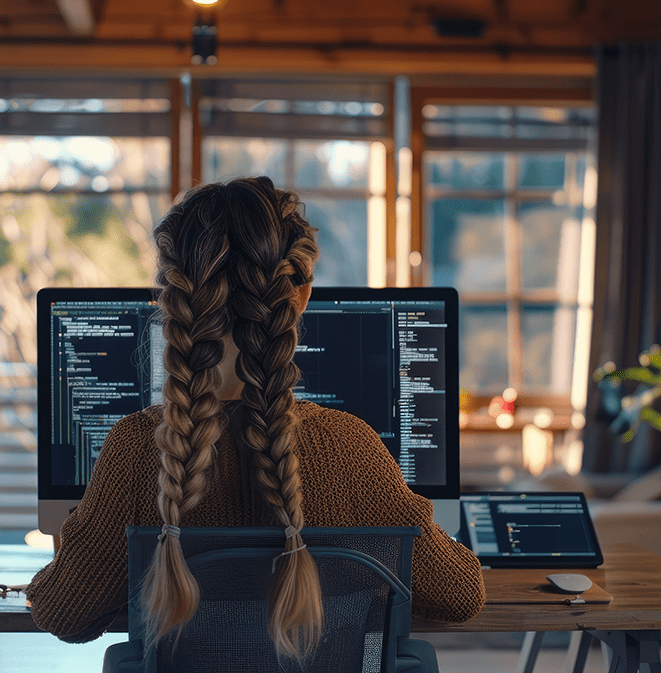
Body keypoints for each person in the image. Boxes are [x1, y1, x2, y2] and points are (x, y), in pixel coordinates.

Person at [26, 176, 486, 657]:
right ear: (300, 297)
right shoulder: (352, 448)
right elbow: (460, 595)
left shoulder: (137, 449)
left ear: (172, 302)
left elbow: (65, 615)